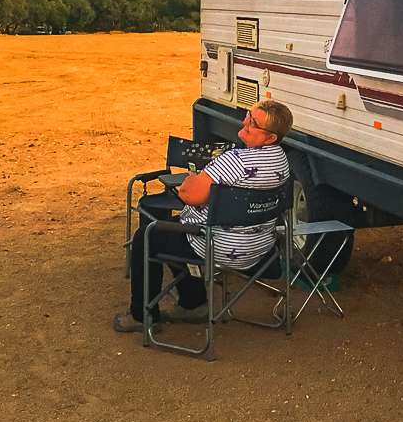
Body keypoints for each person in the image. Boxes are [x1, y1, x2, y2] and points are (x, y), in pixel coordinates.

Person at [114, 100, 293, 332]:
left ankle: (141, 316)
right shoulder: (281, 160)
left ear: (270, 137)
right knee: (175, 229)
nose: (245, 122)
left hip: (218, 245)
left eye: (253, 123)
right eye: (248, 116)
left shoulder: (234, 160)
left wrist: (192, 179)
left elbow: (190, 196)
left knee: (147, 237)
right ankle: (192, 303)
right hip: (259, 248)